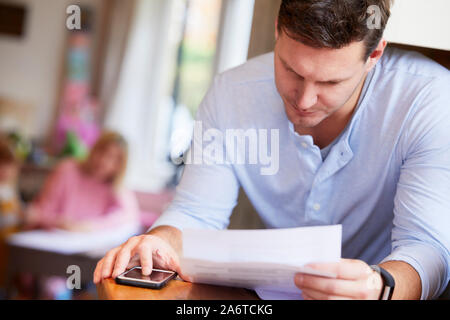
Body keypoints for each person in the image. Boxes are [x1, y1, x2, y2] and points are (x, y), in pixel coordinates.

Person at [94, 0, 449, 300]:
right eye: (291, 70)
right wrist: (158, 242)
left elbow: (428, 250)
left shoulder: (429, 100)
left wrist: (379, 286)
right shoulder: (231, 94)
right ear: (278, 29)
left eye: (330, 82)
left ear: (375, 54)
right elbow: (195, 214)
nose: (305, 100)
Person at [26, 131, 139, 232]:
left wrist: (89, 227)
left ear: (121, 166)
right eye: (102, 152)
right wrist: (60, 223)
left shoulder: (115, 188)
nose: (104, 161)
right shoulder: (67, 169)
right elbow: (39, 212)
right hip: (49, 236)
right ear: (93, 149)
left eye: (114, 158)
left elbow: (129, 216)